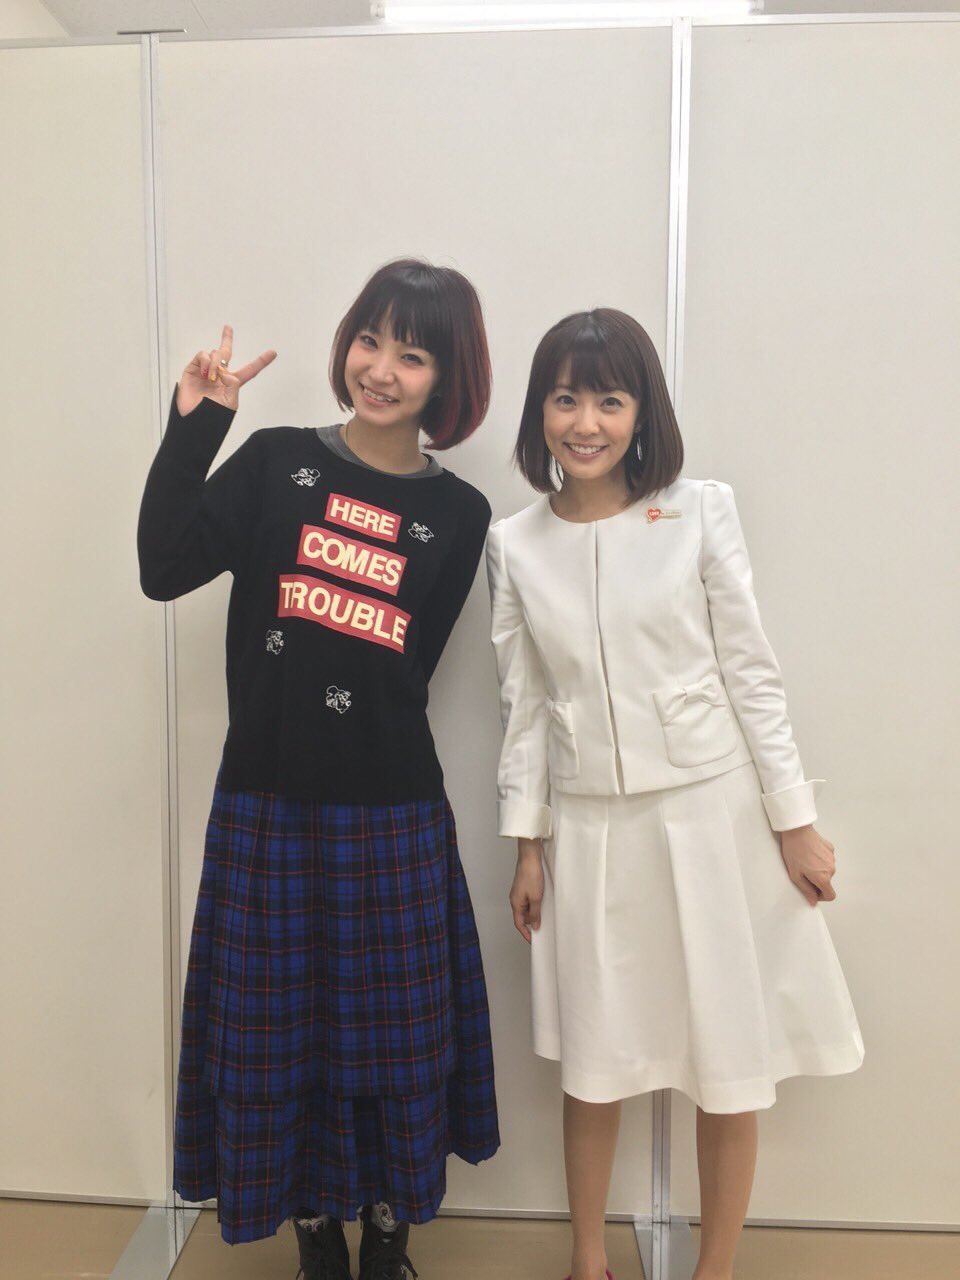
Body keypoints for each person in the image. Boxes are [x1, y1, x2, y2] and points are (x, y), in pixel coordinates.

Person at [138, 259, 500, 1280]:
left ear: (447, 378)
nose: (381, 369)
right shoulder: (275, 461)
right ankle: (312, 1232)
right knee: (276, 1033)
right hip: (267, 795)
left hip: (392, 807)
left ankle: (387, 1227)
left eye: (412, 355)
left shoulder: (462, 513)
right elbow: (163, 567)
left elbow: (410, 667)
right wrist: (197, 424)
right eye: (370, 341)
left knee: (393, 1035)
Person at [485, 309, 864, 1280]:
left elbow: (751, 673)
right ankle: (587, 1261)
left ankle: (714, 1270)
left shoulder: (698, 510)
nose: (586, 422)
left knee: (726, 1061)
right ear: (540, 411)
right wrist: (528, 844)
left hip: (708, 818)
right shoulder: (515, 543)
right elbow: (523, 707)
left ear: (641, 410)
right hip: (589, 830)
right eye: (565, 398)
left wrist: (793, 819)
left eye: (609, 400)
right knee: (595, 1061)